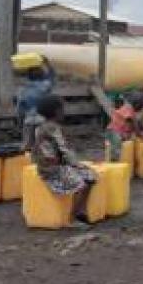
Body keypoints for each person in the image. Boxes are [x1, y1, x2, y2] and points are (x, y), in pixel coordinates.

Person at [31, 94, 98, 228]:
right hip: (52, 169)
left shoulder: (42, 127)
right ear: (56, 112)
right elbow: (64, 149)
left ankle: (81, 212)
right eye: (62, 109)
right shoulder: (52, 128)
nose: (64, 112)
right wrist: (77, 164)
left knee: (90, 176)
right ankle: (72, 219)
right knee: (81, 184)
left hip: (53, 166)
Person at [16, 57, 56, 149]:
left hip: (28, 119)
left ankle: (26, 160)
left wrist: (20, 121)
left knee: (26, 144)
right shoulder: (45, 86)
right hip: (42, 118)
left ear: (28, 77)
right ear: (42, 76)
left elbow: (20, 108)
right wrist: (47, 64)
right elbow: (52, 77)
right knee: (44, 145)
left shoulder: (23, 90)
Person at [105, 92, 143, 162]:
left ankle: (118, 160)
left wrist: (139, 135)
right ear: (137, 105)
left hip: (117, 131)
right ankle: (114, 163)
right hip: (114, 131)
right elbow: (129, 122)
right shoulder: (128, 108)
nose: (140, 110)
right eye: (141, 107)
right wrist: (128, 134)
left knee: (121, 147)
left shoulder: (131, 111)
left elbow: (135, 125)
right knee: (116, 148)